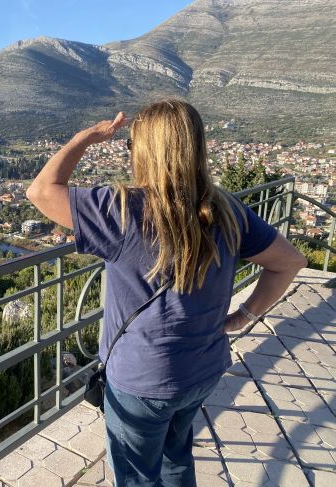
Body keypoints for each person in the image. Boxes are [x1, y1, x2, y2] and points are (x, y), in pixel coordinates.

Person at [26, 99, 307, 487]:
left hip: (141, 383)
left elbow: (40, 191)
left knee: (139, 478)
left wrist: (84, 139)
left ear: (144, 151)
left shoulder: (121, 210)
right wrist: (245, 316)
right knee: (176, 459)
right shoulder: (227, 210)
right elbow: (290, 261)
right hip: (203, 370)